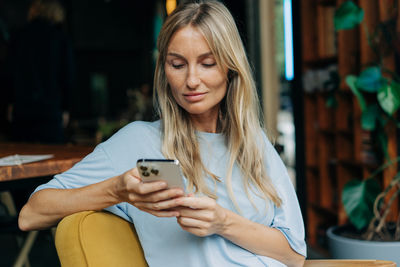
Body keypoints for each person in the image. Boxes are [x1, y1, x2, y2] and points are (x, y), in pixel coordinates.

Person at [19, 1, 306, 266]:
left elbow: (293, 255)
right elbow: (30, 214)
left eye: (207, 63)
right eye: (178, 65)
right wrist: (117, 190)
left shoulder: (253, 142)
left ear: (231, 69)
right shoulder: (140, 142)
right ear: (164, 71)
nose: (192, 80)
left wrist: (223, 223)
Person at [7, 0, 74, 144]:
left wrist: (10, 102)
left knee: (20, 158)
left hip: (22, 107)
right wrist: (66, 108)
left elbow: (8, 74)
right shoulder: (60, 38)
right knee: (53, 159)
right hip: (50, 110)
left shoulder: (18, 36)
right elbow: (67, 77)